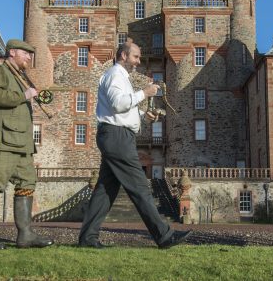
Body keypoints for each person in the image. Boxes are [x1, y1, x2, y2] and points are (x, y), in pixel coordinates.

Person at [78, 40, 190, 249]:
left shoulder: (122, 78)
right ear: (123, 56)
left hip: (117, 134)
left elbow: (122, 110)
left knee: (104, 190)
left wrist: (142, 115)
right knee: (140, 187)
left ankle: (87, 238)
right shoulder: (115, 75)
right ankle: (164, 236)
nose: (138, 61)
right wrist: (144, 93)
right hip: (117, 137)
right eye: (136, 57)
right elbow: (118, 104)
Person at [0, 39, 53, 249]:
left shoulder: (19, 76)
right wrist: (23, 95)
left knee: (27, 184)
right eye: (25, 53)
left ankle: (25, 235)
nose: (29, 57)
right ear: (13, 52)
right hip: (2, 140)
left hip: (22, 143)